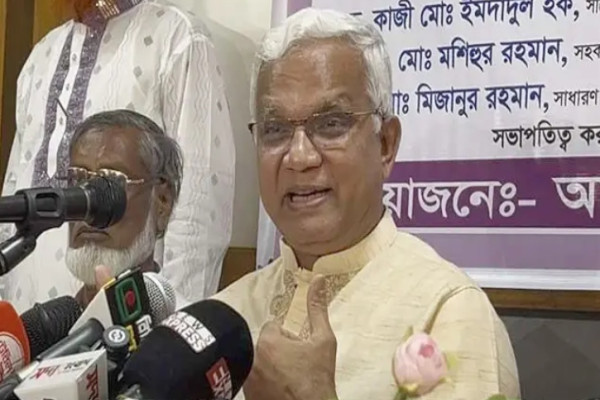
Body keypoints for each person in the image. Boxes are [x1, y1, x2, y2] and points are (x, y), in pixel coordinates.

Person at [213, 8, 520, 400]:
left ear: (386, 145)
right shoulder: (224, 317)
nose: (300, 156)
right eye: (275, 130)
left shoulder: (449, 313)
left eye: (331, 124)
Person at [0, 0, 235, 311]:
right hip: (26, 320)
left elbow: (198, 211)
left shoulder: (177, 37)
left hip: (129, 320)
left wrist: (169, 328)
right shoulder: (41, 56)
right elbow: (15, 186)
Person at [64, 110, 182, 307]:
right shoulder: (48, 324)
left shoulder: (182, 324)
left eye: (112, 182)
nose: (90, 205)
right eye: (78, 180)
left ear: (163, 201)